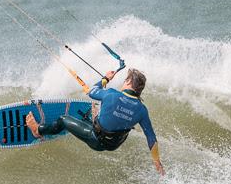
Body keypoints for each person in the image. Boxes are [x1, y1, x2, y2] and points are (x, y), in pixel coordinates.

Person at [25, 68, 165, 176]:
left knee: (63, 119)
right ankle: (96, 118)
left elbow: (91, 91)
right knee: (103, 114)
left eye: (125, 80)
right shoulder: (142, 109)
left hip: (96, 140)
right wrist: (156, 161)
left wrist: (105, 79)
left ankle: (38, 130)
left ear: (128, 82)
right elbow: (151, 137)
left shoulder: (111, 94)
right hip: (114, 144)